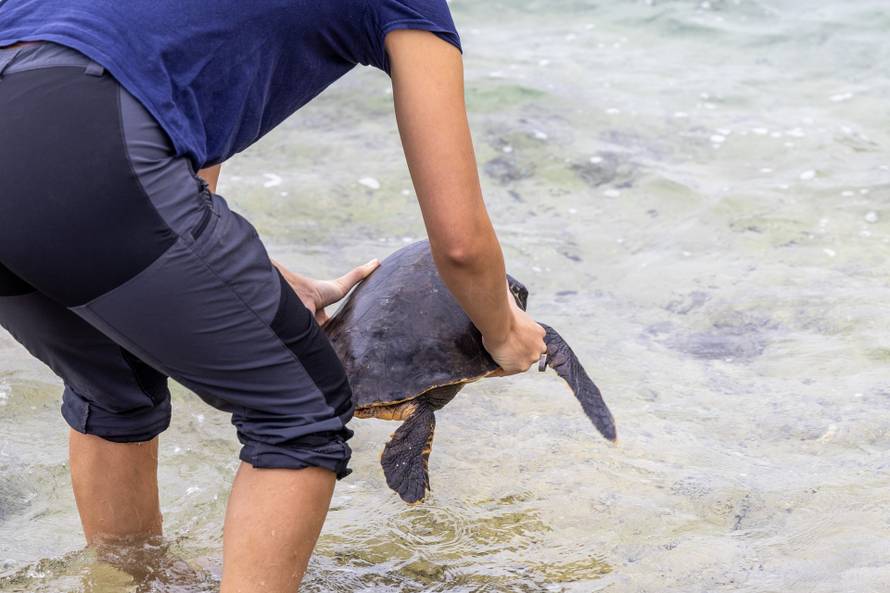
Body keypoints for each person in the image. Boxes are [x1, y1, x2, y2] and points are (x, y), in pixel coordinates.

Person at [0, 1, 547, 591]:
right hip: (87, 135)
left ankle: (132, 582)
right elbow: (461, 244)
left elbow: (177, 132)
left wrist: (247, 274)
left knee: (114, 387)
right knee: (300, 413)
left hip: (45, 109)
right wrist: (504, 332)